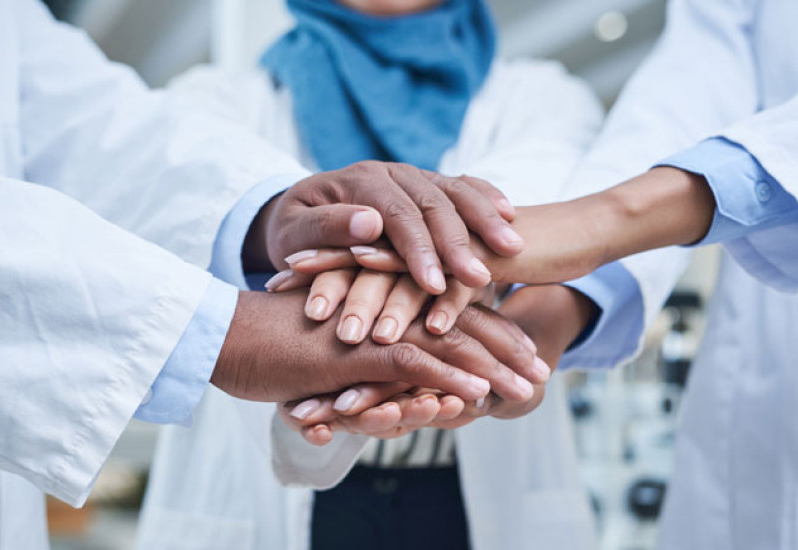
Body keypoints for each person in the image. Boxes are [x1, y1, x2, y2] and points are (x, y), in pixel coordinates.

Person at [0, 1, 542, 547]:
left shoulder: (538, 95)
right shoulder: (220, 95)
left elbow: (86, 123)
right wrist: (227, 332)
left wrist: (272, 212)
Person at [290, 0, 798, 547]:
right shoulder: (221, 98)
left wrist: (593, 232)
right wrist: (529, 314)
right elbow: (691, 93)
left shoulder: (542, 95)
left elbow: (539, 198)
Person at [137, 1, 624, 549]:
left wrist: (366, 262)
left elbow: (525, 211)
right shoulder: (215, 99)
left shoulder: (543, 97)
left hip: (463, 495)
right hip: (272, 495)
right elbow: (190, 204)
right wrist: (433, 265)